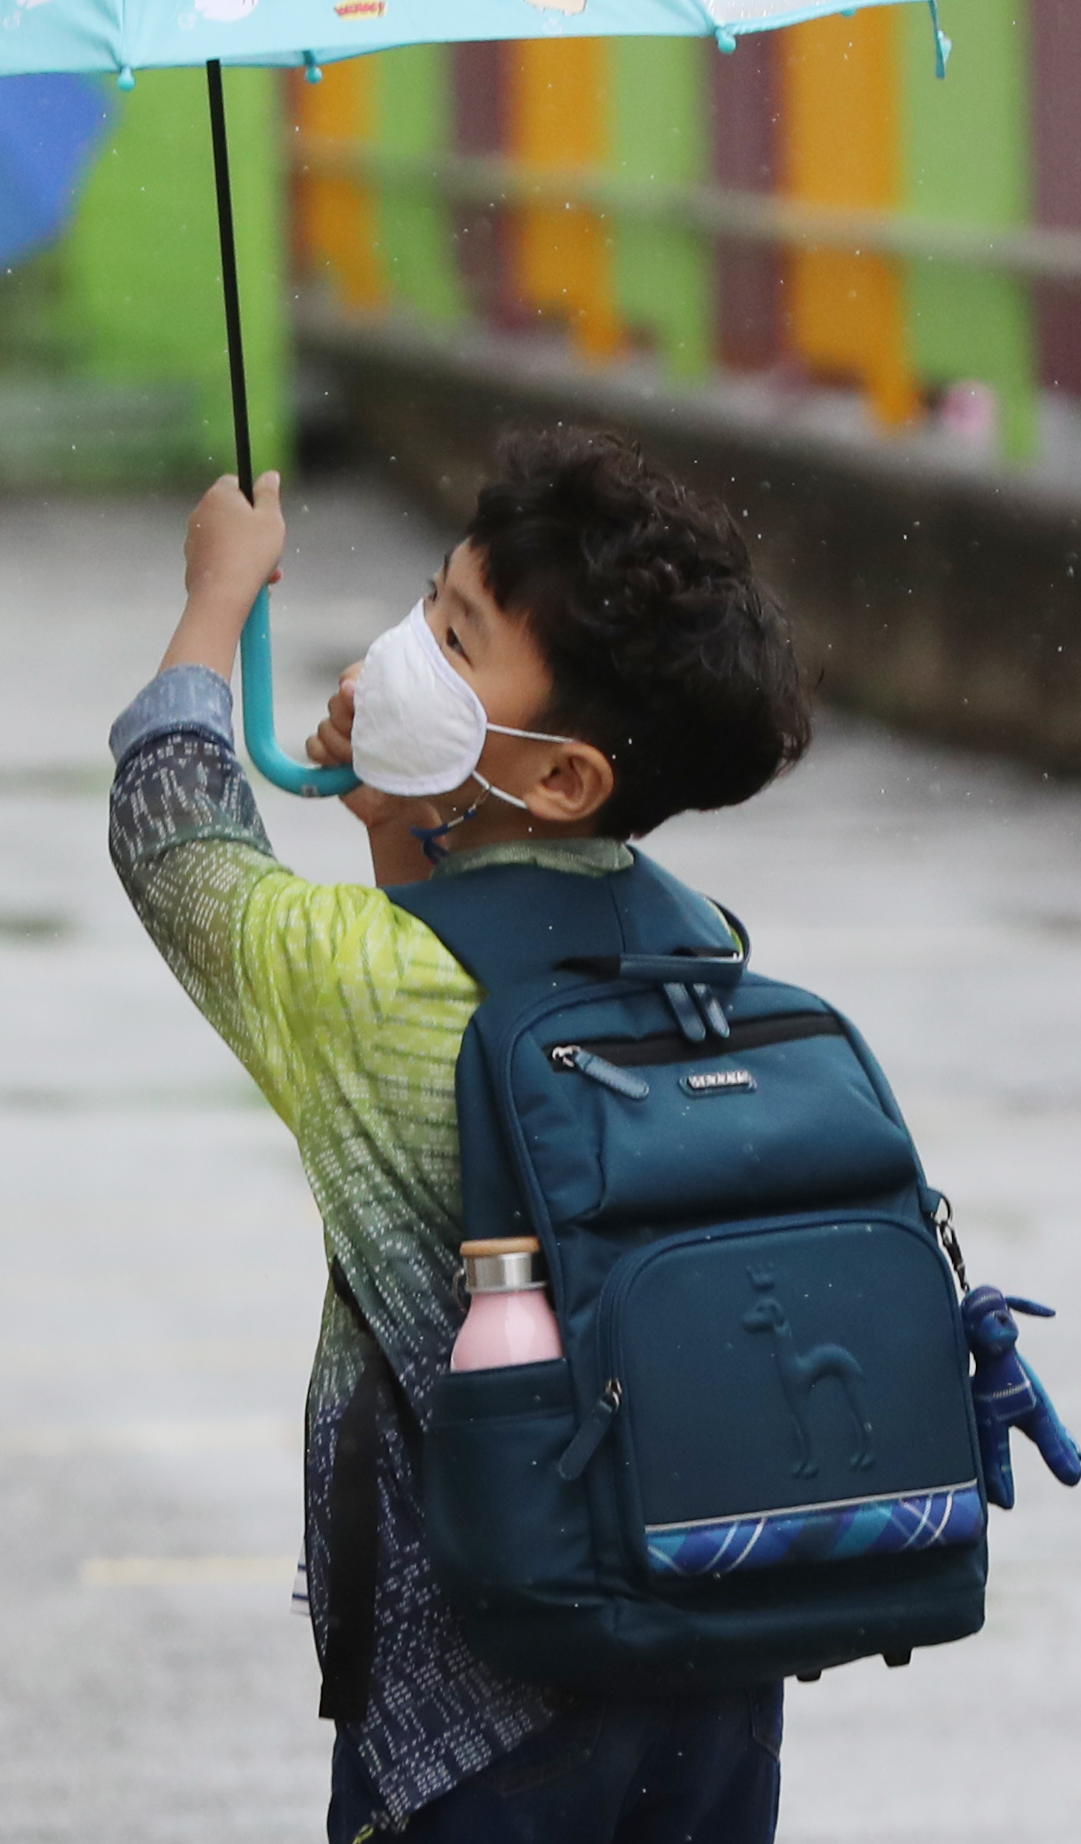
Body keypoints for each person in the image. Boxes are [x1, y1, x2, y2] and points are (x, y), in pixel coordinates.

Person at [107, 428, 814, 1843]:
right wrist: (399, 799)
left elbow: (173, 837)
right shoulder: (700, 946)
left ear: (560, 776)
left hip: (477, 1705)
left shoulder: (369, 988)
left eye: (458, 638)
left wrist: (216, 600)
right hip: (715, 1669)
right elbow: (487, 940)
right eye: (433, 605)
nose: (408, 650)